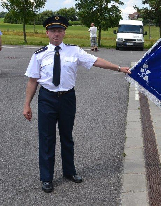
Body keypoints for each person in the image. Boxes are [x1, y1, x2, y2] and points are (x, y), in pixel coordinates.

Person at [23, 15, 131, 193]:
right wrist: (27, 104)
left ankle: (69, 171)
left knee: (67, 136)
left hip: (67, 98)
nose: (56, 34)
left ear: (64, 32)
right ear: (47, 33)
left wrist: (119, 68)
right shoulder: (39, 55)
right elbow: (32, 81)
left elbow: (96, 61)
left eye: (59, 30)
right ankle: (47, 177)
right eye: (52, 31)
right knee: (47, 138)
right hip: (47, 99)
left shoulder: (74, 51)